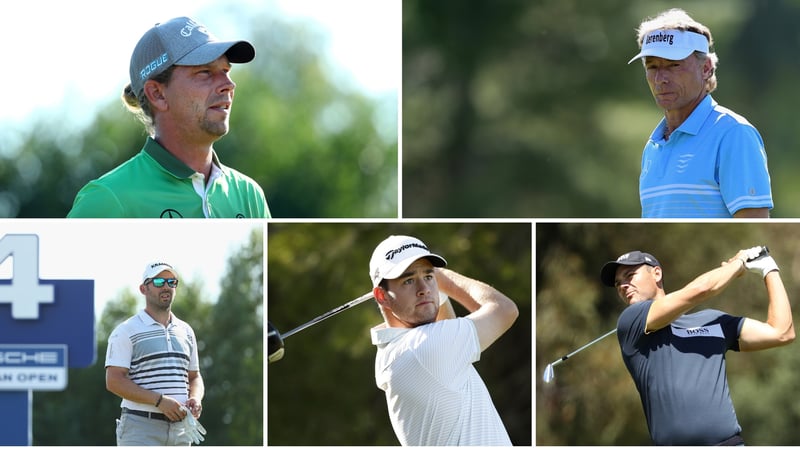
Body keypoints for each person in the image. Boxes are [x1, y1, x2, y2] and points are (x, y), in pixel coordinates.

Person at [68, 17, 270, 218]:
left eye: (226, 70)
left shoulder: (250, 195)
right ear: (157, 94)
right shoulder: (106, 199)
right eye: (205, 72)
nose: (229, 84)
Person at [600, 247, 794, 445]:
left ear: (656, 273)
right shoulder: (631, 321)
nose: (623, 285)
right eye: (618, 283)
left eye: (630, 275)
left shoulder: (712, 321)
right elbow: (701, 290)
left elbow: (782, 333)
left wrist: (768, 269)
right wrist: (739, 263)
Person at [368, 235, 519, 446]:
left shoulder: (392, 352)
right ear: (382, 296)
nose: (424, 289)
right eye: (408, 280)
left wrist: (432, 291)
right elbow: (505, 310)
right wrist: (443, 278)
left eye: (428, 277)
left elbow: (445, 323)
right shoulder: (424, 348)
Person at [628, 8, 773, 218]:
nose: (660, 78)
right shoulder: (653, 146)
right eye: (652, 67)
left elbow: (755, 222)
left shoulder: (734, 134)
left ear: (706, 68)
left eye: (674, 65)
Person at [105, 262, 206, 446]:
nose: (166, 286)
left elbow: (194, 376)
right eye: (159, 281)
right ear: (144, 289)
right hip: (141, 427)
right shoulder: (126, 330)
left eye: (171, 281)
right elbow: (114, 381)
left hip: (182, 428)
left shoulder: (186, 331)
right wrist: (159, 401)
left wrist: (196, 398)